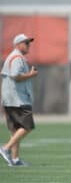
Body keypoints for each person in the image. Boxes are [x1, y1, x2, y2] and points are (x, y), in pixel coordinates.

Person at [0, 33, 38, 166]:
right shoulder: (16, 57)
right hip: (17, 99)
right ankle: (5, 148)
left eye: (29, 42)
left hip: (10, 99)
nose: (29, 45)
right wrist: (31, 75)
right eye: (26, 43)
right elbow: (15, 76)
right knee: (27, 126)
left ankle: (15, 159)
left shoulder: (15, 57)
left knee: (15, 130)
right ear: (18, 44)